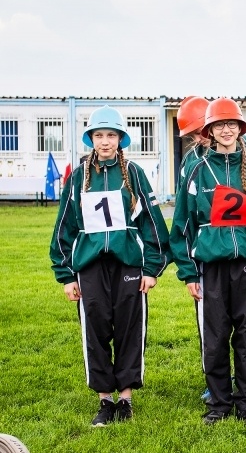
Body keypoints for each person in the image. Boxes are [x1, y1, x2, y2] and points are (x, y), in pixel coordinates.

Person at [50, 105, 171, 426]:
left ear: (120, 139)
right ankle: (104, 399)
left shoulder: (134, 173)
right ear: (91, 139)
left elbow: (152, 222)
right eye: (99, 135)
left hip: (127, 264)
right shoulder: (78, 177)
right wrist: (66, 274)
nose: (105, 141)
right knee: (96, 329)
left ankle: (125, 398)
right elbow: (64, 225)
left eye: (111, 135)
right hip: (90, 266)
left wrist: (151, 268)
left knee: (129, 328)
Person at [170, 97, 246, 425]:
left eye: (231, 124)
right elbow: (182, 224)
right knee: (215, 336)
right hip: (211, 267)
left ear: (240, 128)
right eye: (219, 125)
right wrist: (188, 271)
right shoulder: (197, 170)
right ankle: (219, 403)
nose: (225, 130)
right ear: (209, 129)